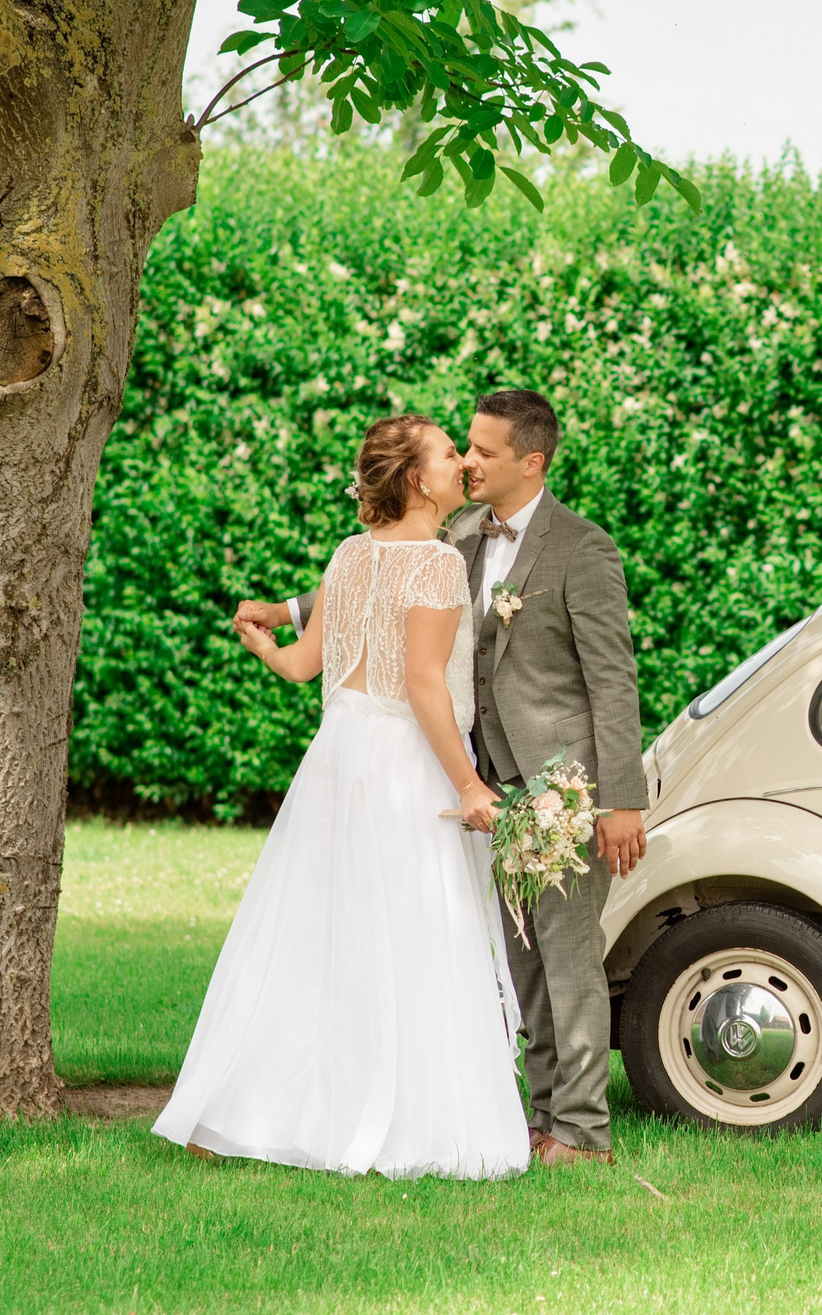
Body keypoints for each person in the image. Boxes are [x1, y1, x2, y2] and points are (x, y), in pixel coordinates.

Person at [238, 388, 645, 1166]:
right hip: (478, 777)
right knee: (520, 959)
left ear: (532, 461)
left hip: (560, 783)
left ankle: (584, 1132)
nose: (468, 458)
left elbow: (613, 681)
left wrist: (620, 799)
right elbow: (374, 581)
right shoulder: (455, 532)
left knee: (567, 956)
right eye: (463, 446)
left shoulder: (582, 549)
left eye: (484, 450)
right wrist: (288, 611)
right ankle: (545, 1115)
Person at [155, 414, 529, 1180]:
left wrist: (264, 644)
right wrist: (468, 783)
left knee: (316, 932)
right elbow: (425, 684)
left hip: (338, 758)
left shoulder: (350, 556)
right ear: (419, 479)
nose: (463, 462)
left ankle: (242, 1107)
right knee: (409, 933)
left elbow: (302, 667)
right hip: (403, 764)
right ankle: (398, 1120)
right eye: (450, 454)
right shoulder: (434, 565)